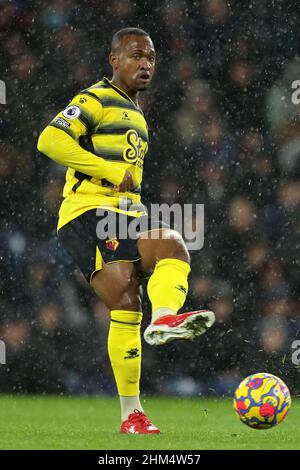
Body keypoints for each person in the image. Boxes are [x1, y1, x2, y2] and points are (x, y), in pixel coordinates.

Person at [37, 27, 215, 434]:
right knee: (172, 246)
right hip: (88, 213)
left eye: (151, 57)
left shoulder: (137, 114)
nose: (146, 64)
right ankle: (167, 317)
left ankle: (131, 415)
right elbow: (49, 140)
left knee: (127, 307)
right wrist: (106, 170)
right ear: (114, 59)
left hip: (114, 215)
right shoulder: (95, 98)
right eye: (136, 56)